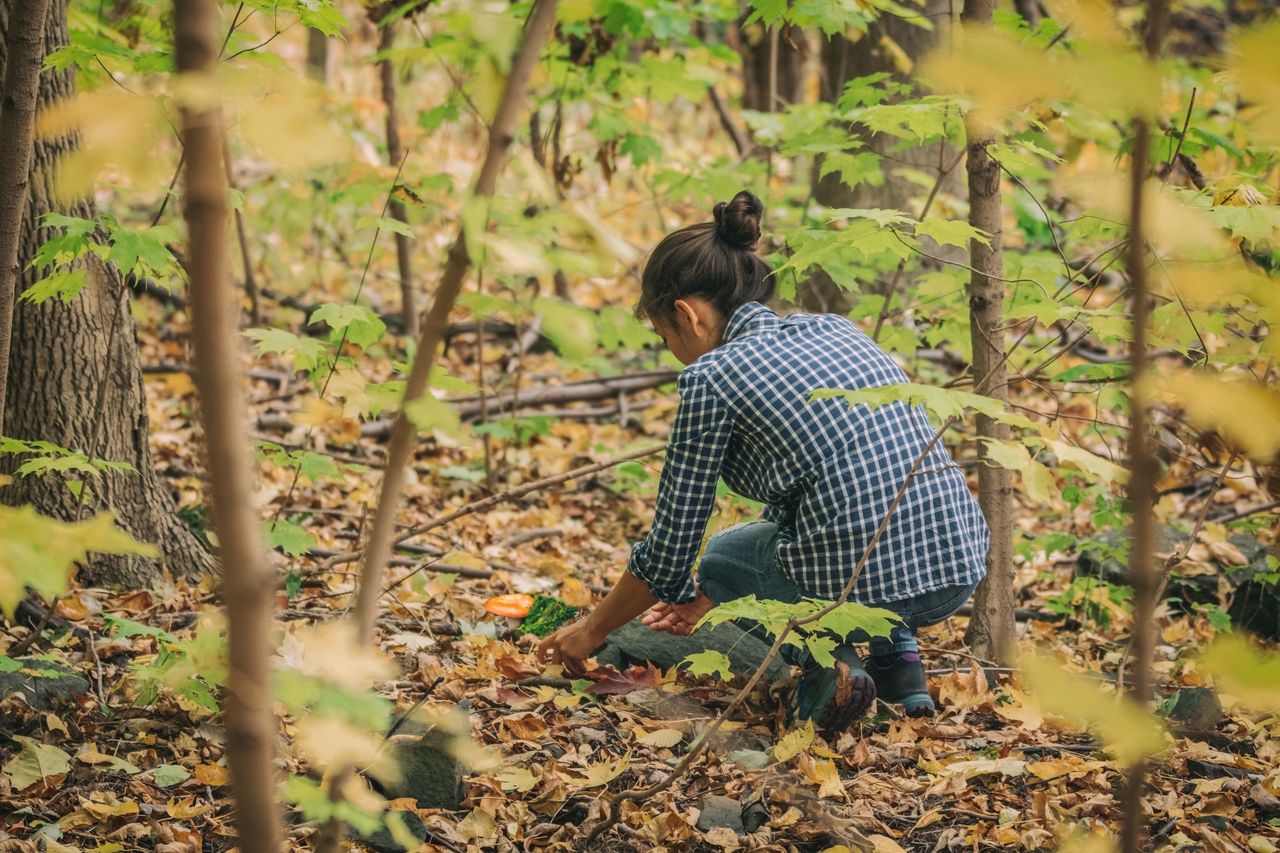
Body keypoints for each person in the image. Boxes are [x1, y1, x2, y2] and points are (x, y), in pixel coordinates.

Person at [537, 190, 989, 730]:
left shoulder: (712, 376)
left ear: (688, 314)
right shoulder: (834, 330)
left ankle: (836, 672)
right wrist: (708, 600)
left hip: (869, 577)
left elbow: (672, 547)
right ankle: (903, 673)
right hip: (957, 563)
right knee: (863, 519)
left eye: (665, 335)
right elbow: (823, 485)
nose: (671, 349)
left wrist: (591, 629)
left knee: (725, 556)